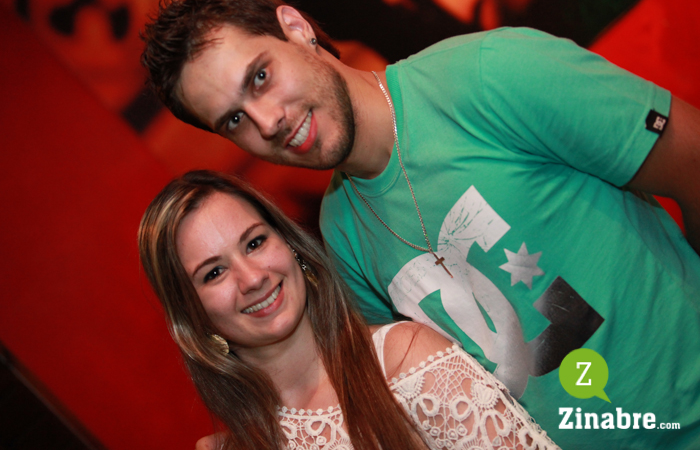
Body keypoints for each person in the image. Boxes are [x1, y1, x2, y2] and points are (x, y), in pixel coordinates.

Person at [140, 0, 700, 447]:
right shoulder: (341, 236)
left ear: (296, 28)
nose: (267, 122)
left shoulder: (488, 75)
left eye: (260, 77)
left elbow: (693, 162)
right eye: (235, 120)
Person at [138, 170, 558, 450]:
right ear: (192, 314)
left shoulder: (405, 363)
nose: (251, 278)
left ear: (290, 245)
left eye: (255, 242)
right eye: (214, 273)